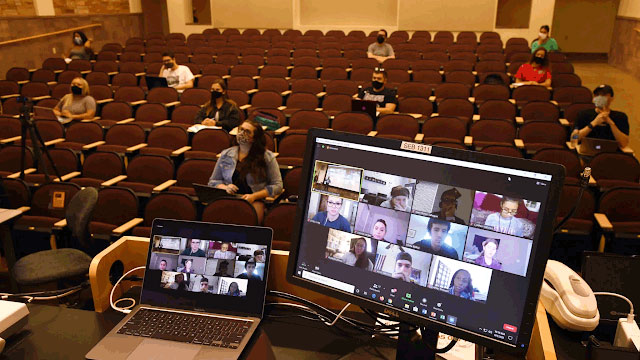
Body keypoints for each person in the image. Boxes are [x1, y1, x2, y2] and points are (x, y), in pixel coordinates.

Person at [208, 119, 283, 224]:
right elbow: (213, 181)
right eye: (241, 129)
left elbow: (277, 186)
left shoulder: (267, 157)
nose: (242, 134)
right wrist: (225, 187)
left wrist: (254, 196)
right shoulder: (226, 154)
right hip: (229, 198)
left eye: (247, 131)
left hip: (254, 200)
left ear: (254, 138)